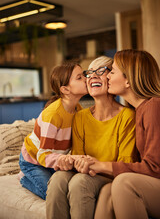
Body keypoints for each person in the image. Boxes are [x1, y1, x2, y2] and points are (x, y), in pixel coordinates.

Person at [46, 56, 138, 219]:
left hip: (110, 177)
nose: (93, 76)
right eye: (90, 73)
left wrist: (90, 165)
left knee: (80, 182)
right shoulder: (80, 116)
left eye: (101, 71)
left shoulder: (127, 116)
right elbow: (78, 156)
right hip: (87, 172)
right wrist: (71, 161)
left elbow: (125, 164)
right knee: (58, 178)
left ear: (111, 79)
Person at [87, 49, 160, 219]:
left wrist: (102, 165)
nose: (108, 77)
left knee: (123, 183)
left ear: (128, 81)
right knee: (107, 190)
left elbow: (155, 168)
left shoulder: (154, 107)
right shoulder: (138, 110)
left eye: (112, 71)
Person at [18, 62, 88, 200]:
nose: (86, 79)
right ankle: (24, 178)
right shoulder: (53, 115)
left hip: (53, 157)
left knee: (72, 190)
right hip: (33, 160)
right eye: (79, 77)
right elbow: (43, 155)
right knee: (54, 196)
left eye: (84, 75)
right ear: (65, 90)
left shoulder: (78, 109)